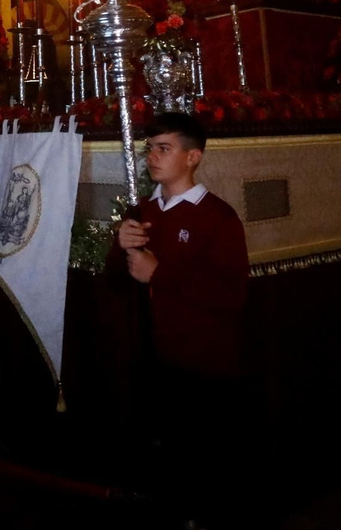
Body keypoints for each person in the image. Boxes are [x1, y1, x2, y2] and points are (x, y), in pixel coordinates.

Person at [107, 111, 248, 527]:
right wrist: (121, 248)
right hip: (151, 358)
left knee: (198, 466)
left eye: (164, 148)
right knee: (158, 460)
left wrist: (160, 273)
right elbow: (118, 280)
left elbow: (232, 294)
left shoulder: (217, 218)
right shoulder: (144, 209)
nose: (153, 156)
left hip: (199, 365)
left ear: (193, 157)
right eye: (150, 148)